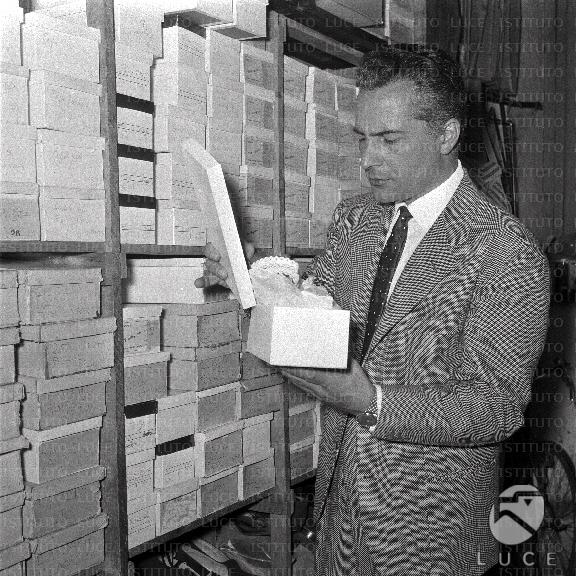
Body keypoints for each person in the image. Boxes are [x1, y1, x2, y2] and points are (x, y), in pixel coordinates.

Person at [197, 47, 550, 576]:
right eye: (363, 138)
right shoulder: (357, 218)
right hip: (339, 511)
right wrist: (256, 283)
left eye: (389, 140)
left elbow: (495, 407)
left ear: (446, 135)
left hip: (428, 535)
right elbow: (314, 310)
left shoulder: (507, 252)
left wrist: (373, 402)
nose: (368, 159)